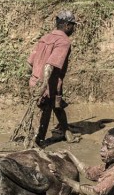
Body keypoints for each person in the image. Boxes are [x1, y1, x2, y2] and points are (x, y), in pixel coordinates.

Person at [27, 10, 78, 148]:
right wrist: (44, 84)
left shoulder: (45, 37)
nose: (73, 29)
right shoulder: (63, 42)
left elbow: (30, 62)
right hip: (48, 83)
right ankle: (37, 143)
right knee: (44, 112)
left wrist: (34, 79)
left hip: (38, 80)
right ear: (67, 25)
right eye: (73, 25)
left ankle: (66, 132)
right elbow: (50, 64)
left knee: (57, 105)